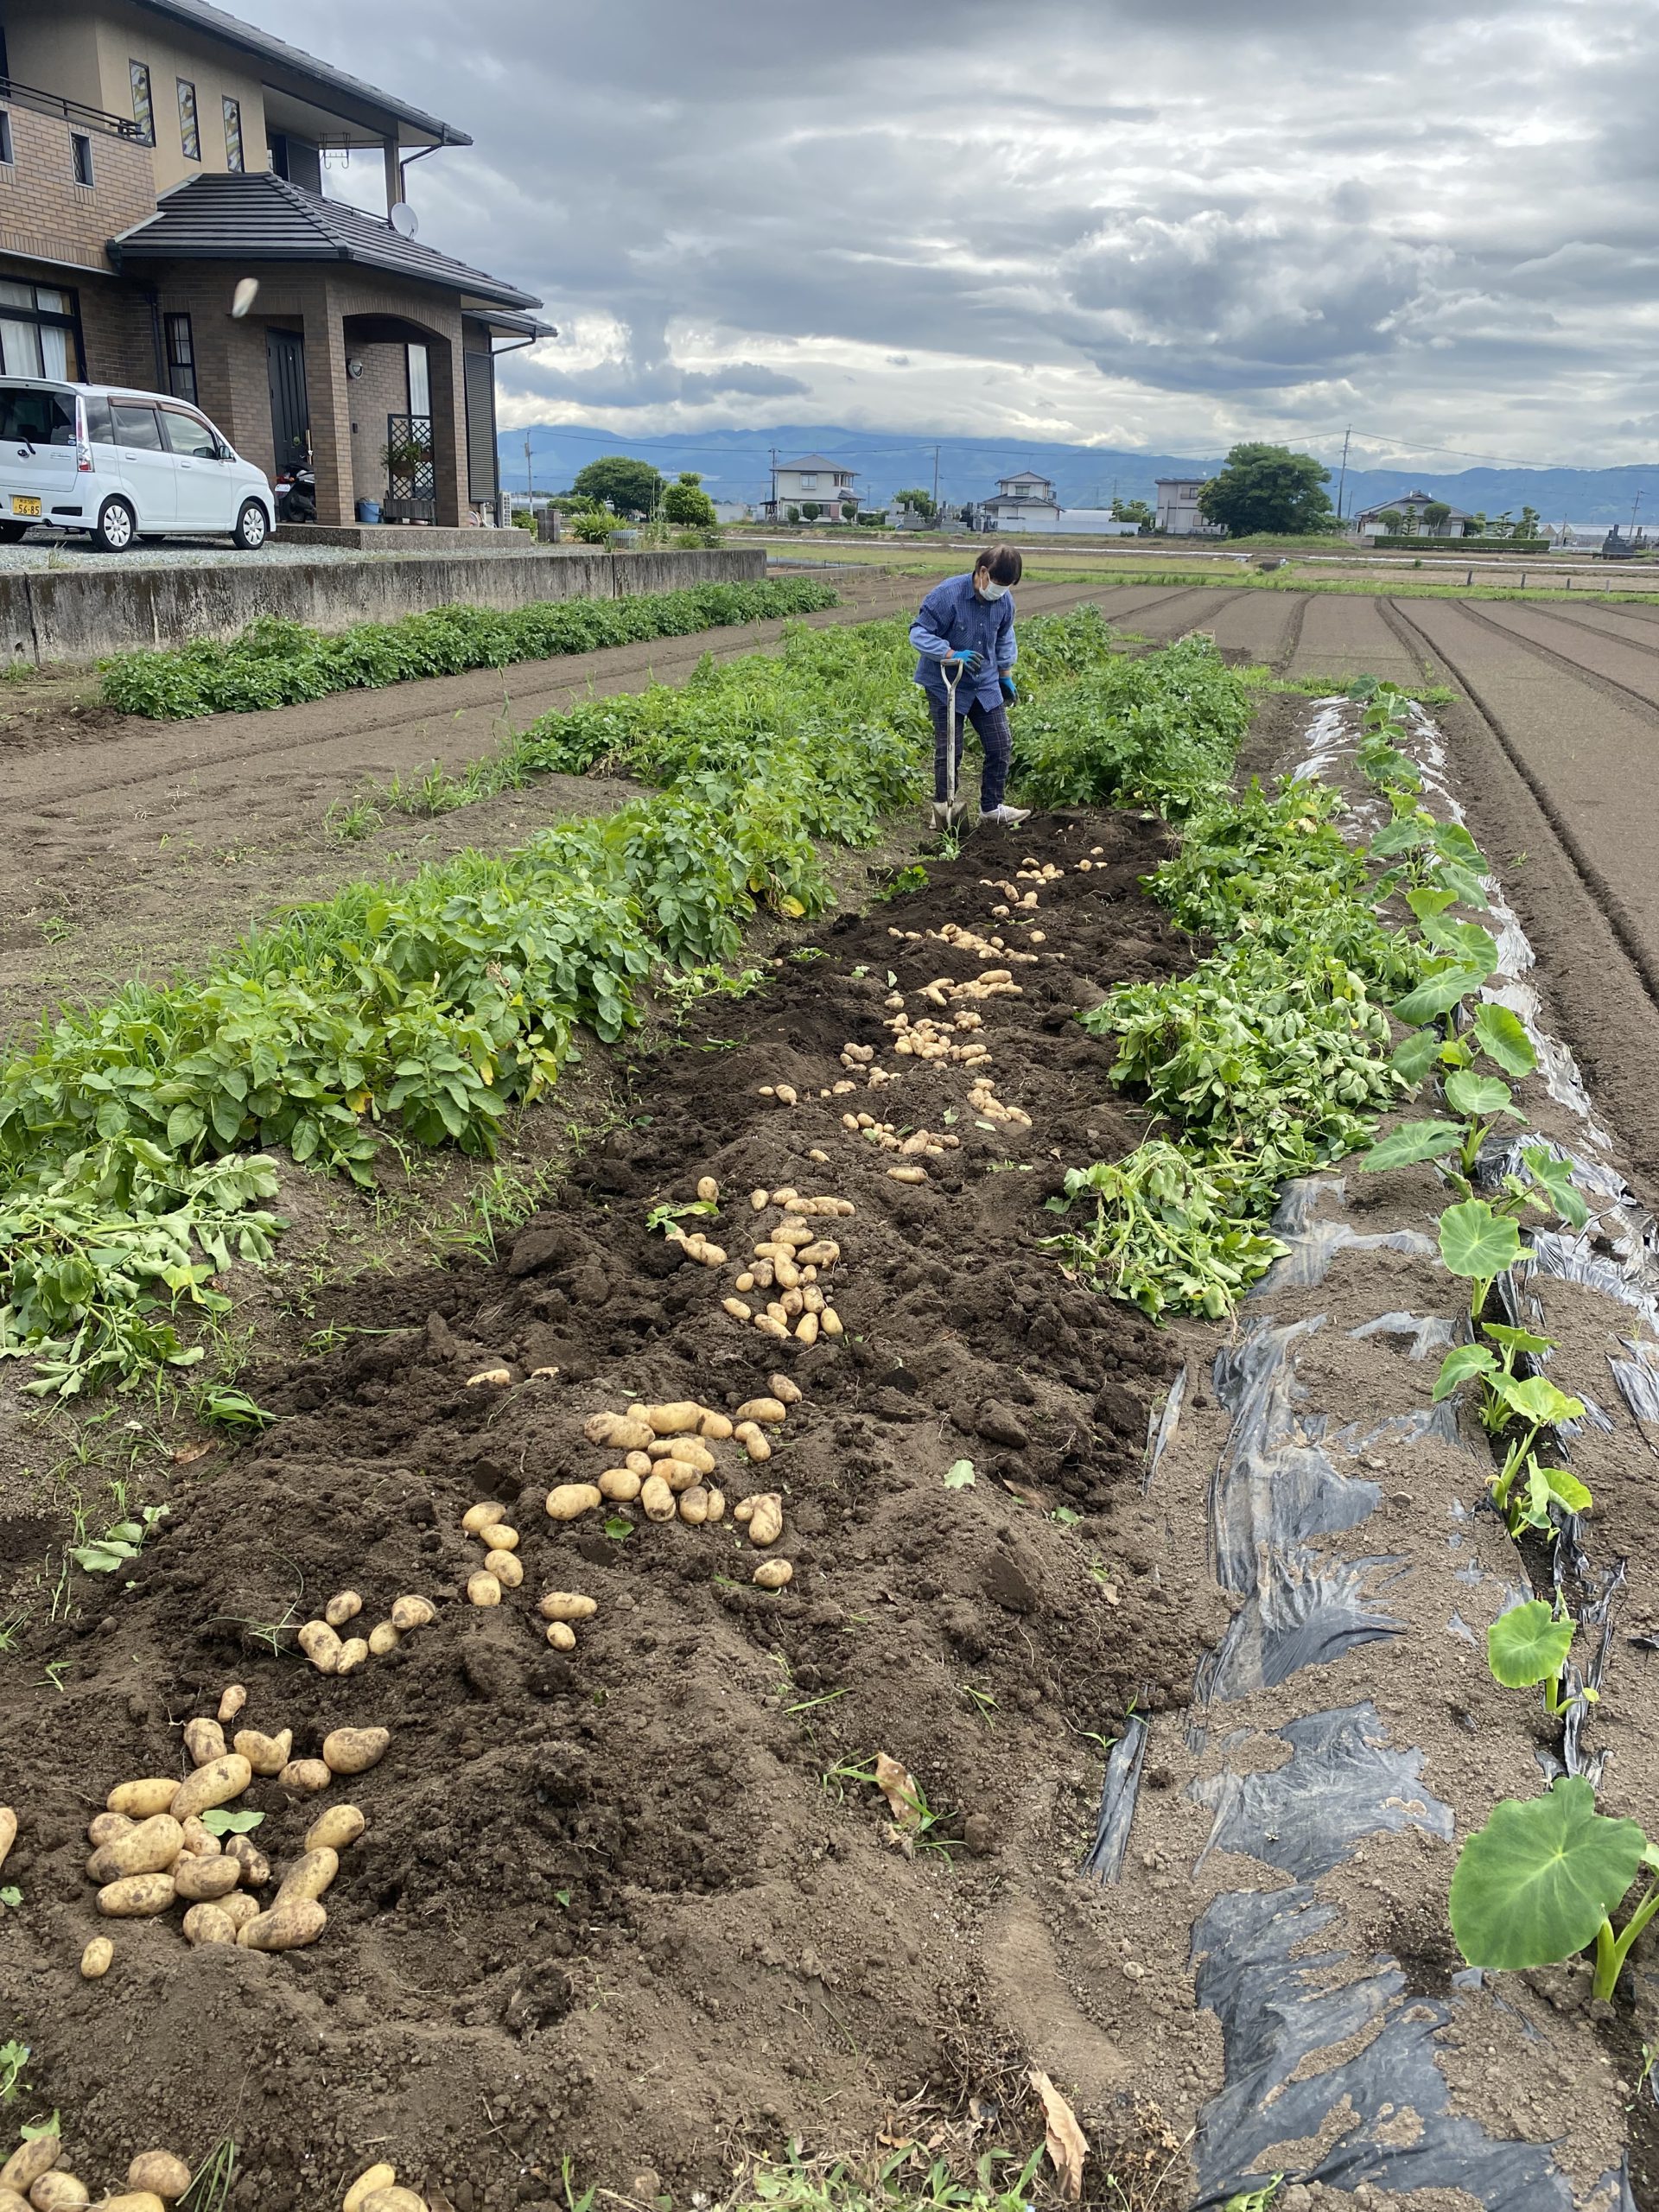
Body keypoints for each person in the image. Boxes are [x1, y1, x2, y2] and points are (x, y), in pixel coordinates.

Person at [909, 544, 1030, 830]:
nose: (1000, 591)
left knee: (1000, 744)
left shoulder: (1004, 602)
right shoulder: (947, 595)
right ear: (983, 572)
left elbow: (1004, 638)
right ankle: (943, 807)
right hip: (945, 683)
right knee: (951, 749)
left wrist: (1005, 675)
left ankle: (991, 807)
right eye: (998, 585)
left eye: (1007, 586)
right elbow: (918, 634)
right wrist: (950, 654)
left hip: (984, 682)